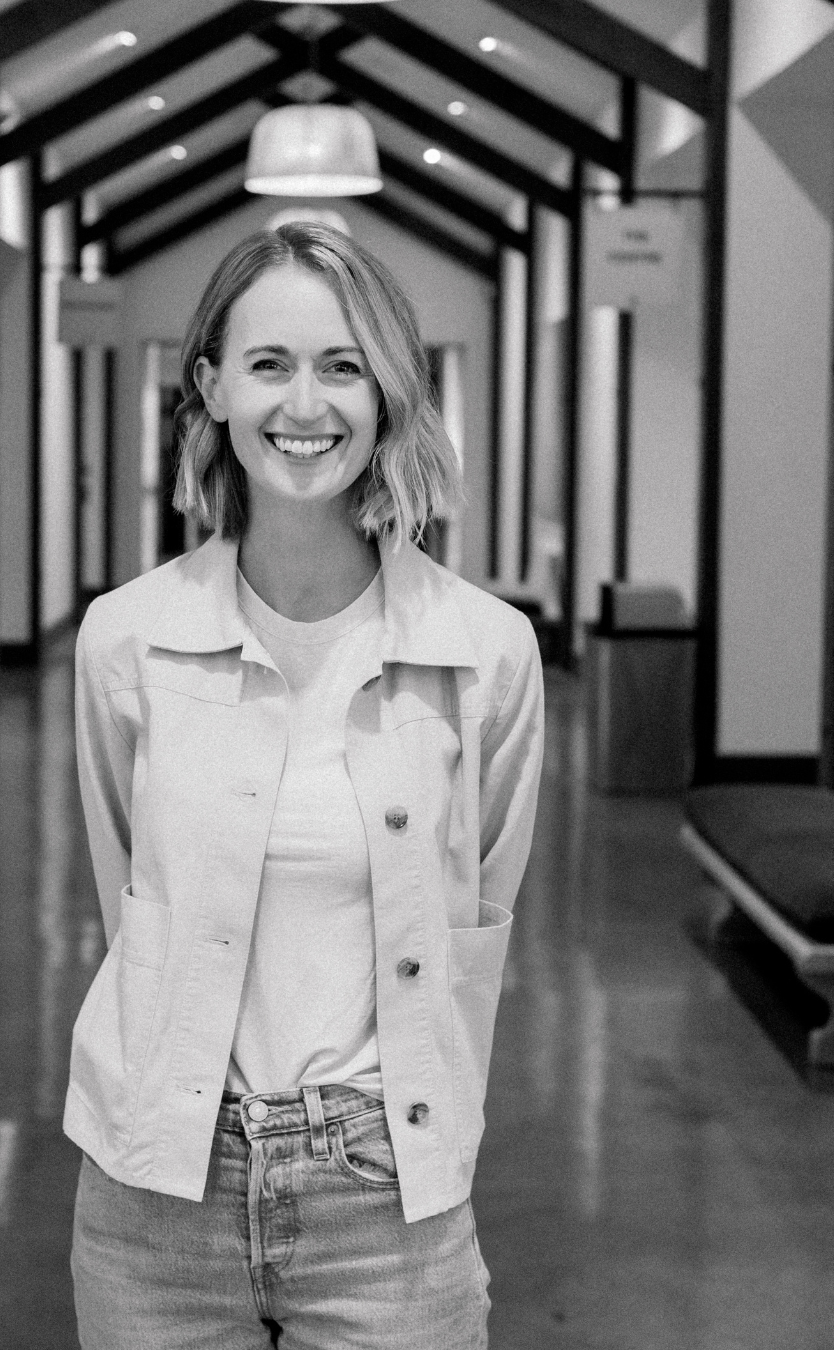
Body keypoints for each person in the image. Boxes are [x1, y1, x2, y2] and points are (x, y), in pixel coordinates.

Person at [67, 222, 544, 1349]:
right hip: (157, 1186)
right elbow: (126, 898)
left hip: (388, 1191)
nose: (306, 404)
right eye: (270, 364)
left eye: (343, 367)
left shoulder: (487, 652)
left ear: (387, 394)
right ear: (212, 388)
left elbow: (480, 911)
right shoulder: (126, 640)